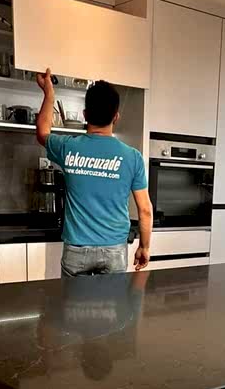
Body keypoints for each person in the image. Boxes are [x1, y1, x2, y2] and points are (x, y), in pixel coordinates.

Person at [35, 71, 152, 276]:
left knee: (72, 297)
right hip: (114, 249)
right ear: (116, 117)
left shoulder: (68, 147)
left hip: (76, 248)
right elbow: (145, 211)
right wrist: (144, 246)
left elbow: (42, 132)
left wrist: (49, 94)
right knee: (112, 298)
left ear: (85, 115)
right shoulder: (133, 157)